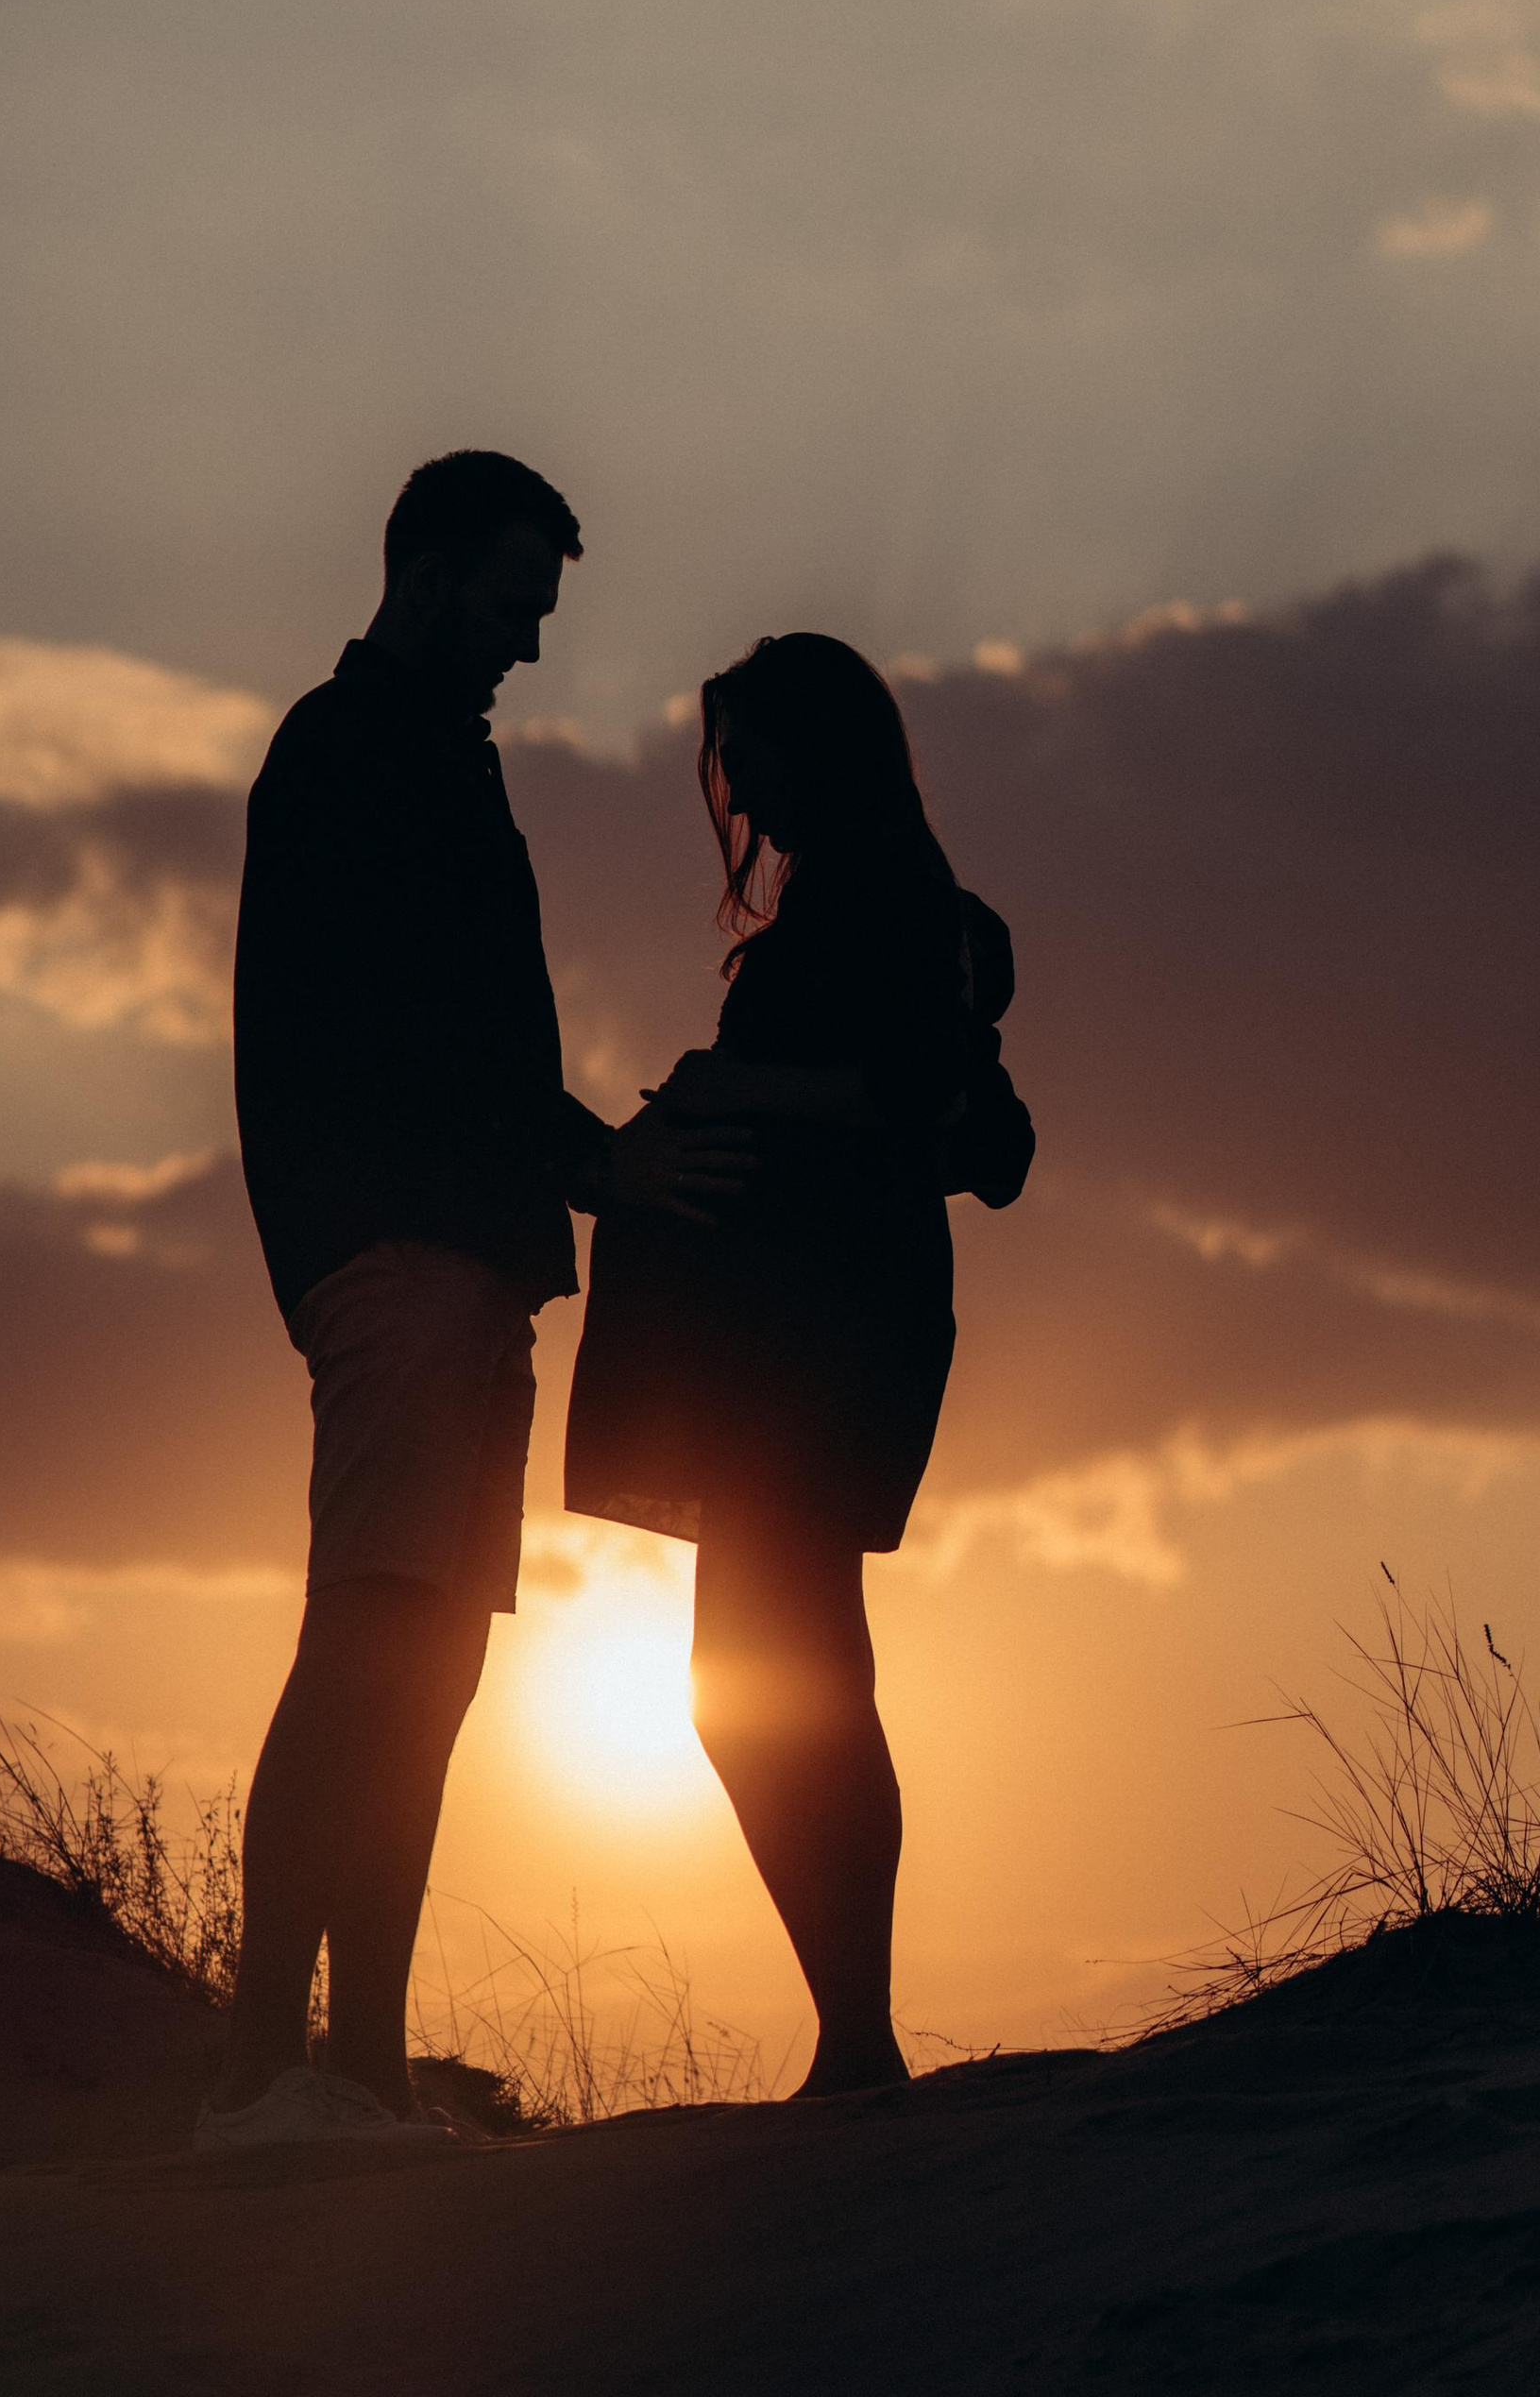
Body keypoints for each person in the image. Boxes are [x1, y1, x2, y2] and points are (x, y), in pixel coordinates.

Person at [201, 450, 749, 2153]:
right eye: (514, 605)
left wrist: (572, 1167)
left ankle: (353, 2063)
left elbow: (454, 1030)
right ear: (431, 574)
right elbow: (417, 1028)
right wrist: (592, 1159)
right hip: (403, 1254)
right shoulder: (354, 753)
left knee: (422, 1662)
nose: (526, 643)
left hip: (457, 1260)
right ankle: (266, 2071)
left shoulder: (417, 756)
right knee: (373, 1640)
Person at [565, 631, 1032, 2100]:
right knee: (782, 1668)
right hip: (811, 1326)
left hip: (831, 1333)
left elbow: (939, 1113)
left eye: (749, 747)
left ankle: (858, 2033)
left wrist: (731, 1085)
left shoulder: (894, 898)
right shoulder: (875, 900)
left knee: (778, 1674)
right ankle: (854, 2029)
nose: (732, 778)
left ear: (816, 745)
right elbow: (981, 1135)